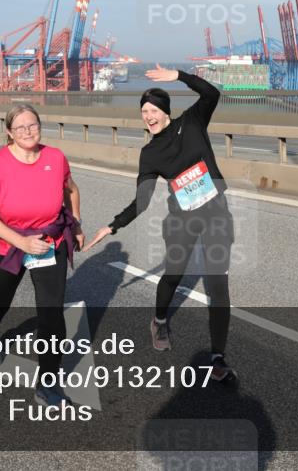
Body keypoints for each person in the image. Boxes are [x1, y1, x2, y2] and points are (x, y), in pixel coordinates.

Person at [85, 65, 236, 382]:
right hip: (182, 218)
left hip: (216, 215)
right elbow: (142, 199)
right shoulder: (150, 153)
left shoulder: (192, 123)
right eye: (143, 112)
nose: (148, 116)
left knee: (217, 284)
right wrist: (113, 226)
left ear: (166, 112)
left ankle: (218, 356)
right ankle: (159, 320)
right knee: (174, 274)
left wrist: (180, 76)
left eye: (153, 110)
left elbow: (212, 93)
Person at [0, 104, 85, 407]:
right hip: (8, 243)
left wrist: (75, 223)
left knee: (52, 315)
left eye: (33, 125)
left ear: (40, 126)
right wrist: (22, 243)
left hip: (50, 242)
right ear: (9, 132)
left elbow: (71, 190)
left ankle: (47, 384)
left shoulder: (55, 157)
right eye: (20, 127)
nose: (28, 132)